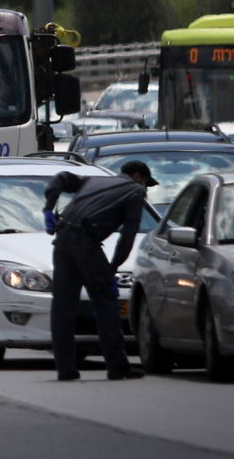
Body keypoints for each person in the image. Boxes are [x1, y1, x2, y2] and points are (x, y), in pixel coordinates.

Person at [41, 160, 157, 381]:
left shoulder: (93, 180)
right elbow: (128, 236)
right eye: (145, 183)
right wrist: (112, 269)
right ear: (137, 176)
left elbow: (60, 178)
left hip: (63, 239)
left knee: (63, 306)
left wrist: (49, 208)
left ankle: (65, 368)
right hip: (85, 243)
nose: (145, 189)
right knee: (105, 302)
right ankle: (117, 366)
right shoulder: (135, 190)